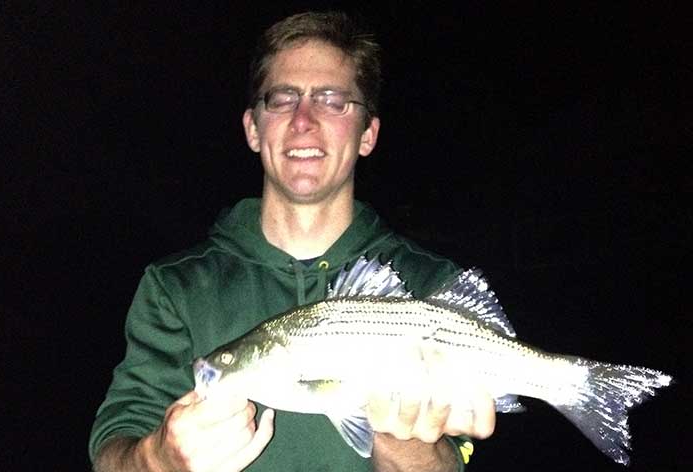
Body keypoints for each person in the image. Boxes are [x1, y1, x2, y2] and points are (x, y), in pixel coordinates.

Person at [89, 11, 496, 472]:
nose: (304, 119)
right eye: (282, 99)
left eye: (332, 100)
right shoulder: (174, 287)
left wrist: (406, 443)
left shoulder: (430, 284)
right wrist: (158, 458)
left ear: (368, 134)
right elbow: (111, 453)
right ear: (252, 127)